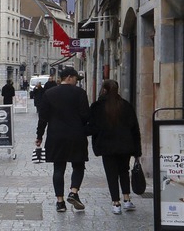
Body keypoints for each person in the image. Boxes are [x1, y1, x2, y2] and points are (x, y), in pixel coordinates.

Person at [36, 66, 90, 213]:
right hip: (76, 135)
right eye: (75, 79)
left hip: (56, 136)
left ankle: (60, 202)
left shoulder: (49, 93)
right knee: (78, 165)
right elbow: (86, 116)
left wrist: (39, 136)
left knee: (58, 168)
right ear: (69, 77)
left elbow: (43, 117)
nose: (76, 82)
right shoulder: (80, 93)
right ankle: (73, 192)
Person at [87, 79, 142, 214]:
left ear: (104, 90)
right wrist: (137, 150)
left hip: (107, 146)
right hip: (125, 145)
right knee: (124, 171)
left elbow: (92, 128)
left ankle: (116, 203)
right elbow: (135, 129)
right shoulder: (126, 106)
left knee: (111, 174)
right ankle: (127, 199)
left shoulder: (97, 107)